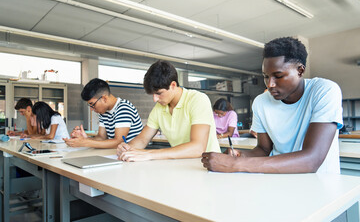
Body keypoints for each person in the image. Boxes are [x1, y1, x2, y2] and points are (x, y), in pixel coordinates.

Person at [202, 37, 343, 174]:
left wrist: (236, 164)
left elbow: (312, 159)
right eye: (266, 76)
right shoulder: (261, 102)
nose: (270, 84)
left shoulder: (324, 90)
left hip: (320, 184)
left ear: (300, 70)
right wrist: (240, 156)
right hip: (278, 181)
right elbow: (263, 149)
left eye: (278, 76)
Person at [117, 60, 220, 162]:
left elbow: (198, 148)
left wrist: (149, 154)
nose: (155, 99)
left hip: (208, 167)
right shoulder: (159, 108)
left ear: (173, 85)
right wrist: (128, 148)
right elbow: (143, 139)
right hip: (181, 165)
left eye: (159, 93)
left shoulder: (198, 99)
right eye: (152, 94)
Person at [64, 78, 143, 148]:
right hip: (118, 152)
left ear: (104, 98)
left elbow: (118, 142)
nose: (92, 109)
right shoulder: (103, 112)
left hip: (134, 154)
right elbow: (101, 138)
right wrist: (84, 138)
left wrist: (86, 142)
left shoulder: (123, 108)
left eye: (92, 104)